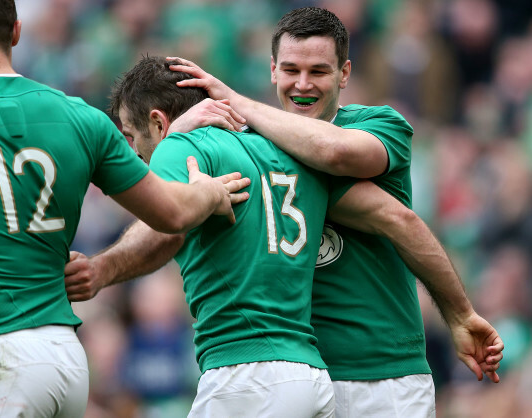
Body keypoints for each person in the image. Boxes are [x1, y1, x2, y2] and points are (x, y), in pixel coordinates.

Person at [64, 56, 502, 416]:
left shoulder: (182, 147)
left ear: (158, 123)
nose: (131, 154)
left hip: (244, 372)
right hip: (311, 377)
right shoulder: (289, 155)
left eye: (129, 137)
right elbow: (400, 220)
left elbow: (167, 216)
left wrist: (103, 265)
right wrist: (462, 314)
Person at [0, 0, 247, 418]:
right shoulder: (79, 117)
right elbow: (172, 213)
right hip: (63, 359)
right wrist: (208, 191)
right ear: (16, 32)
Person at [163, 6, 505, 417]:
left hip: (386, 375)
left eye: (318, 72)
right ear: (272, 70)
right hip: (303, 379)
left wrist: (460, 315)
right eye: (290, 70)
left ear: (344, 73)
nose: (302, 84)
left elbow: (339, 155)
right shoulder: (248, 145)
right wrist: (176, 133)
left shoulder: (379, 124)